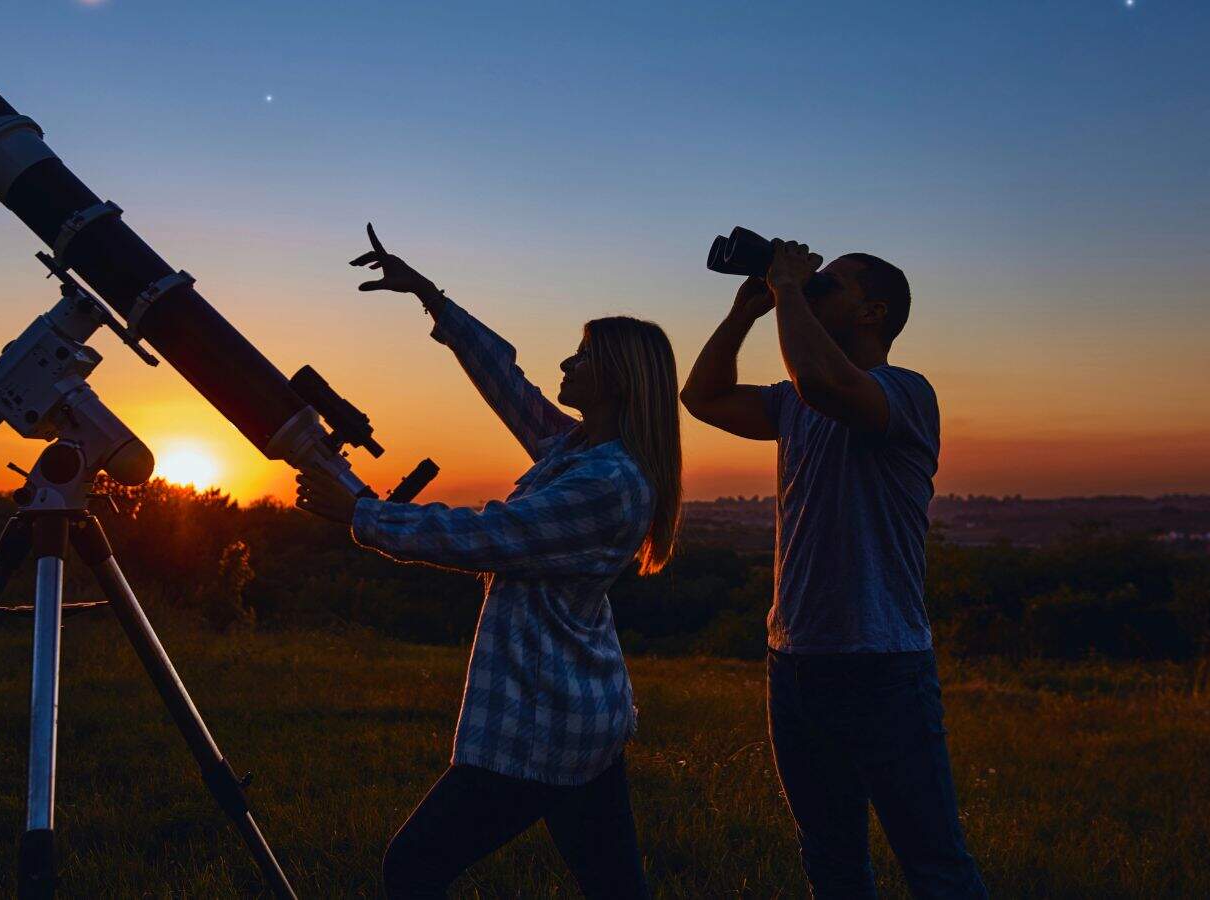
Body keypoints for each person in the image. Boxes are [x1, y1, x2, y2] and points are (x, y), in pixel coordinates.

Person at [294, 225, 682, 899]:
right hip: (577, 716)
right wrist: (430, 298)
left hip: (543, 723)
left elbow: (487, 536)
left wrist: (358, 510)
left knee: (413, 866)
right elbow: (510, 384)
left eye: (583, 356)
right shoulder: (579, 449)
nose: (566, 363)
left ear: (618, 379)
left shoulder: (609, 482)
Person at [680, 240, 985, 898]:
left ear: (874, 312)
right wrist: (745, 312)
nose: (815, 291)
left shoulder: (905, 393)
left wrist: (790, 289)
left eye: (831, 287)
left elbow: (825, 383)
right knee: (830, 858)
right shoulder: (791, 403)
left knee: (933, 863)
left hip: (882, 663)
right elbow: (700, 397)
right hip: (795, 662)